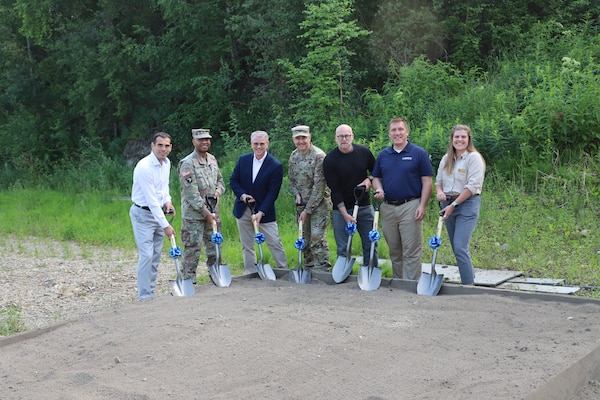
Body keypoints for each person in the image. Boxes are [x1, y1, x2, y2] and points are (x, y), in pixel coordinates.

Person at [372, 118, 433, 280]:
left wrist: (423, 205)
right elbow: (376, 178)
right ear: (389, 133)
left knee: (411, 250)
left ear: (407, 131)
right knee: (395, 250)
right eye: (393, 130)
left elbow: (427, 181)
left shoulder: (418, 153)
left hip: (411, 205)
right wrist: (378, 188)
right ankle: (399, 283)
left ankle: (410, 284)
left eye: (400, 129)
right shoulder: (383, 155)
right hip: (388, 208)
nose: (397, 133)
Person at [230, 130, 289, 273]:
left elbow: (272, 193)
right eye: (255, 144)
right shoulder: (243, 160)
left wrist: (261, 212)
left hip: (265, 211)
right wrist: (242, 195)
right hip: (243, 209)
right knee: (247, 244)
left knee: (274, 242)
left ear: (267, 144)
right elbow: (234, 180)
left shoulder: (275, 165)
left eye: (262, 144)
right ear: (251, 144)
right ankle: (250, 271)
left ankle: (284, 269)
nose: (258, 147)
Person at [435, 124, 485, 285]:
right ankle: (467, 281)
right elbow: (438, 182)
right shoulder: (446, 159)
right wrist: (440, 192)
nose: (460, 140)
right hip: (447, 205)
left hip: (466, 205)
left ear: (468, 139)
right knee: (456, 248)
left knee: (460, 246)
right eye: (457, 137)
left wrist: (454, 205)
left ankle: (469, 285)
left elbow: (472, 186)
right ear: (452, 139)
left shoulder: (474, 158)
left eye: (463, 137)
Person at [323, 124, 378, 270]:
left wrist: (369, 180)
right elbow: (334, 190)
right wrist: (345, 215)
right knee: (343, 246)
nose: (344, 139)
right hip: (341, 210)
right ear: (336, 138)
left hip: (365, 207)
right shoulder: (330, 160)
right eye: (340, 136)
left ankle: (370, 271)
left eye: (347, 135)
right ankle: (343, 274)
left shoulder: (364, 152)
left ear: (352, 136)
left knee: (370, 243)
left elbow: (378, 171)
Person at [129, 132, 176, 300]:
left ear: (170, 147)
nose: (163, 149)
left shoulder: (167, 163)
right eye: (160, 145)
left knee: (156, 256)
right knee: (147, 255)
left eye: (167, 146)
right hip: (143, 214)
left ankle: (151, 293)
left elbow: (163, 188)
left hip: (158, 214)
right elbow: (151, 200)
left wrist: (168, 202)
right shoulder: (144, 167)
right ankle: (144, 297)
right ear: (152, 146)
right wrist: (166, 226)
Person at [178, 128, 225, 283]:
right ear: (194, 141)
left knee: (215, 245)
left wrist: (218, 192)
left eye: (207, 139)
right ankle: (188, 280)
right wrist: (206, 213)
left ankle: (216, 277)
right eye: (200, 140)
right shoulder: (187, 164)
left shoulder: (212, 159)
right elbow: (191, 194)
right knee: (193, 248)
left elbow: (220, 181)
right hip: (195, 215)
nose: (204, 142)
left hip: (213, 212)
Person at [288, 125, 332, 272]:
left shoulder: (319, 156)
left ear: (309, 137)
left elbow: (319, 187)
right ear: (293, 139)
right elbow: (292, 180)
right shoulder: (294, 156)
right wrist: (297, 195)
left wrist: (307, 210)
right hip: (301, 205)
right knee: (304, 238)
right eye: (297, 138)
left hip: (319, 204)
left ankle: (323, 269)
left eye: (303, 138)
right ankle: (308, 268)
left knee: (317, 237)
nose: (301, 141)